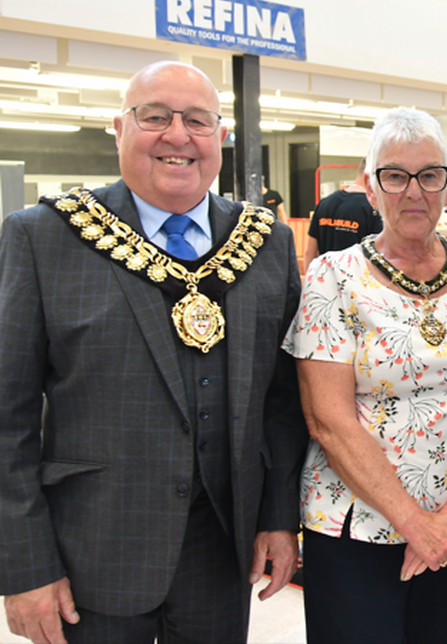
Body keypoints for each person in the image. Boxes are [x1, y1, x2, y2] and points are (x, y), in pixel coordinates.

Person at [0, 61, 307, 644]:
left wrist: (277, 519)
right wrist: (25, 567)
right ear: (118, 128)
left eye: (197, 120)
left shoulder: (264, 242)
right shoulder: (44, 237)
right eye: (155, 117)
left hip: (221, 554)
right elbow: (6, 417)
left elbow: (282, 402)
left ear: (220, 138)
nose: (177, 136)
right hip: (91, 552)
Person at [283, 107, 447, 644]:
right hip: (353, 527)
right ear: (370, 186)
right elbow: (329, 420)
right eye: (395, 175)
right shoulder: (333, 277)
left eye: (430, 174)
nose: (414, 191)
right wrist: (416, 525)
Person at [303, 157, 383, 269]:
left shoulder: (324, 204)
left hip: (325, 280)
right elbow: (379, 256)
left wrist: (310, 282)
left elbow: (309, 253)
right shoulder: (373, 208)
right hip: (357, 282)